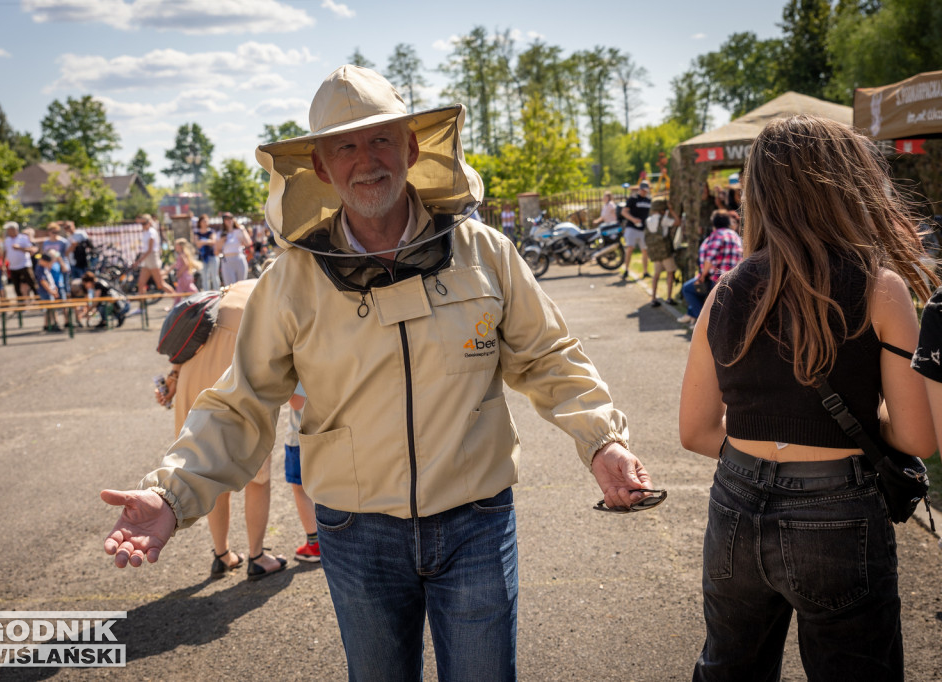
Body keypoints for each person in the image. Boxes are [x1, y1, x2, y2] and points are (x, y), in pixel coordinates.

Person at [101, 64, 655, 680]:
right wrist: (170, 494)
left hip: (477, 519)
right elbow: (241, 403)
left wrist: (601, 438)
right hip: (355, 533)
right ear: (319, 166)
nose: (366, 160)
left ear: (412, 147)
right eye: (345, 145)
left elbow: (548, 354)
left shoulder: (486, 253)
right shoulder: (290, 280)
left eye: (380, 139)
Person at [678, 115, 937, 682]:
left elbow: (696, 432)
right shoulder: (880, 287)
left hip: (735, 504)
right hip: (838, 508)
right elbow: (919, 437)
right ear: (848, 186)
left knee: (728, 667)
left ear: (761, 194)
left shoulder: (723, 291)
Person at [153, 280, 289, 580]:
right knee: (257, 477)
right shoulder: (269, 295)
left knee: (208, 471)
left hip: (192, 381)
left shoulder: (228, 289)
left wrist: (172, 378)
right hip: (234, 379)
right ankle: (256, 555)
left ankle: (222, 554)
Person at [678, 210, 742, 329]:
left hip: (717, 278)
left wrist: (702, 276)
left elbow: (710, 258)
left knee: (688, 289)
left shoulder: (718, 235)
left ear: (714, 223)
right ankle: (699, 319)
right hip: (735, 277)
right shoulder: (735, 236)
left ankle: (703, 323)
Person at [283, 384, 320, 562]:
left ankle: (314, 543)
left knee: (300, 489)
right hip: (327, 431)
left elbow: (297, 402)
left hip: (301, 435)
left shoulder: (302, 356)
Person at [644, 199, 680, 307]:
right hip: (665, 251)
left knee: (656, 275)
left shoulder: (648, 220)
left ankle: (653, 298)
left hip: (654, 252)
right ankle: (669, 297)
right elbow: (678, 222)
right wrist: (671, 210)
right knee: (670, 273)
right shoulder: (663, 219)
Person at [132, 214, 176, 300]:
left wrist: (139, 261)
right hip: (147, 260)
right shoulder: (146, 232)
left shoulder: (151, 232)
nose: (143, 225)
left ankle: (177, 300)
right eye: (142, 223)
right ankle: (142, 307)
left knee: (160, 284)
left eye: (144, 223)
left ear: (149, 222)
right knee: (141, 284)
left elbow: (150, 250)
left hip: (152, 258)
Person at [620, 181, 652, 279]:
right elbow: (624, 212)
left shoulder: (648, 200)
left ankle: (645, 271)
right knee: (630, 248)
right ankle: (626, 269)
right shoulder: (633, 199)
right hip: (632, 227)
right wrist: (633, 219)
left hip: (643, 228)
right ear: (640, 190)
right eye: (643, 190)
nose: (644, 192)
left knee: (644, 250)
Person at [3, 222, 37, 300]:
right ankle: (21, 303)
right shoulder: (7, 240)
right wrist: (4, 264)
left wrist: (19, 248)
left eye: (9, 230)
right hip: (13, 267)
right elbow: (5, 252)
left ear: (14, 229)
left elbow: (31, 249)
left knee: (32, 283)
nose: (8, 231)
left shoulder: (23, 238)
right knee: (17, 287)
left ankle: (39, 302)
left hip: (24, 265)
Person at [216, 212, 248, 285]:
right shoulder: (220, 234)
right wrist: (221, 241)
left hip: (239, 258)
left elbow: (248, 243)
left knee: (242, 284)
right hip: (227, 260)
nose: (229, 221)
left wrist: (243, 230)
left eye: (230, 218)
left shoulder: (239, 231)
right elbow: (216, 251)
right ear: (224, 221)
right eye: (227, 219)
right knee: (230, 286)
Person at [191, 214, 220, 291]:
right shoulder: (197, 233)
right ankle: (206, 294)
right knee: (204, 277)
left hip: (212, 256)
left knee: (214, 276)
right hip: (202, 257)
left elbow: (213, 242)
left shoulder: (211, 231)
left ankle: (217, 293)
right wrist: (207, 241)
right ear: (200, 222)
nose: (205, 223)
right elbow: (198, 244)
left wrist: (203, 241)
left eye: (206, 221)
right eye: (203, 221)